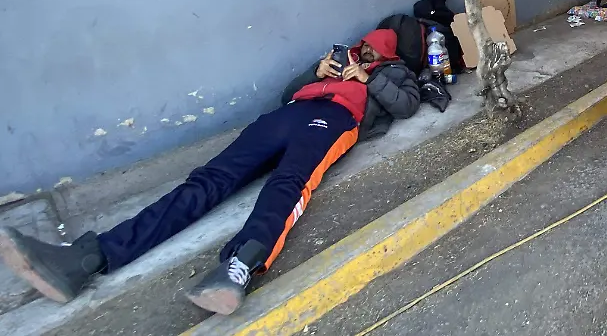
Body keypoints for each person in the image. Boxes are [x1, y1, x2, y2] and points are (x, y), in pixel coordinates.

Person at [0, 30, 422, 315]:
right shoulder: (336, 58)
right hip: (290, 114)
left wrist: (368, 78)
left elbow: (405, 105)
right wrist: (315, 74)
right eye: (362, 49)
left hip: (334, 120)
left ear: (385, 54)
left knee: (290, 183)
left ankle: (238, 265)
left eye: (372, 52)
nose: (362, 54)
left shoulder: (391, 72)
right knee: (208, 180)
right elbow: (287, 93)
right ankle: (87, 257)